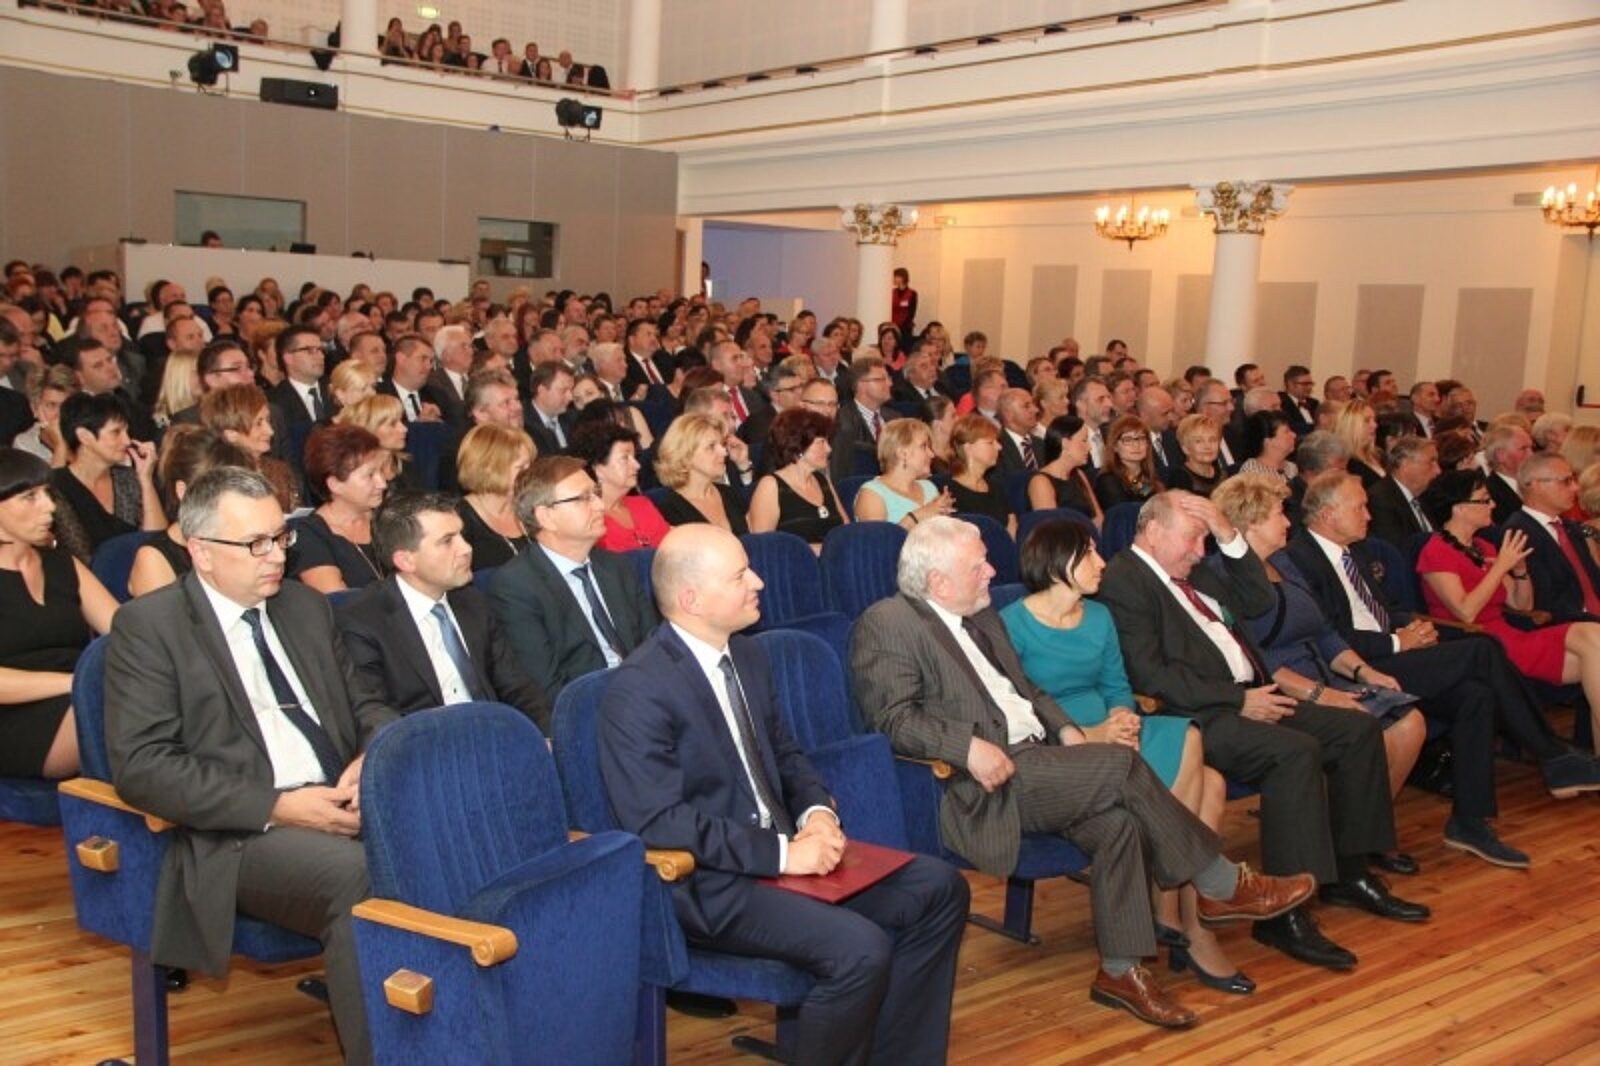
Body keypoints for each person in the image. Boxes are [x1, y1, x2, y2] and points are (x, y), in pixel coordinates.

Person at [852, 516, 1317, 1027]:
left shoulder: (981, 617)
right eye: (978, 565)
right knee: (1121, 765)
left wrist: (1068, 731)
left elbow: (1028, 691)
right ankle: (1219, 882)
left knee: (1118, 826)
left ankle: (1121, 971)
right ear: (938, 582)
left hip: (1041, 761)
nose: (992, 572)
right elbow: (892, 719)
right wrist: (967, 748)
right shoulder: (889, 622)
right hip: (985, 782)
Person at [600, 524, 968, 1061]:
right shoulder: (639, 689)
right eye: (739, 576)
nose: (759, 581)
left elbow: (786, 754)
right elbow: (659, 822)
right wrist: (783, 854)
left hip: (782, 856)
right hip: (707, 883)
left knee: (938, 887)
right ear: (691, 599)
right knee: (859, 950)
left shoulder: (747, 656)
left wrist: (816, 812)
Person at [105, 466, 395, 1065]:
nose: (277, 556)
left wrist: (372, 756)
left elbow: (368, 705)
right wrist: (280, 807)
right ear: (201, 551)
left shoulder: (304, 607)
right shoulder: (150, 627)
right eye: (256, 543)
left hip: (341, 796)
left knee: (467, 837)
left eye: (281, 537)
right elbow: (143, 766)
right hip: (240, 831)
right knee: (361, 878)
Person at [1100, 491, 1419, 973]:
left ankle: (1349, 872)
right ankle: (1285, 918)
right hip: (1199, 713)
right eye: (1193, 538)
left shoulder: (1193, 567)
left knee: (1357, 729)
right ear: (1154, 531)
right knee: (1295, 752)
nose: (1199, 550)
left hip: (1252, 696)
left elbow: (1257, 598)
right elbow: (1150, 674)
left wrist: (1228, 535)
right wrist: (1237, 701)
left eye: (1205, 540)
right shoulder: (1126, 580)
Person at [1284, 472, 1600, 863]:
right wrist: (1398, 641)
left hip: (1392, 651)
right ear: (1329, 514)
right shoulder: (1301, 559)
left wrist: (1413, 628)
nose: (1368, 515)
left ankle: (1470, 821)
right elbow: (1325, 635)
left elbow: (1383, 610)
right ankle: (1552, 754)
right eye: (1360, 507)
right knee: (1482, 648)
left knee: (1475, 696)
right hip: (1355, 668)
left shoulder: (1356, 552)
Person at [1001, 519, 1247, 992]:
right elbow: (1022, 712)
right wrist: (1095, 733)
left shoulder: (1098, 616)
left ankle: (1171, 911)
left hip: (1114, 729)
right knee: (1212, 784)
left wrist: (1125, 720)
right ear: (1058, 564)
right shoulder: (1012, 624)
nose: (1102, 563)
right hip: (1063, 744)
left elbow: (1117, 685)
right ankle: (1187, 922)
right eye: (1090, 554)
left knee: (1189, 738)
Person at [1212, 473, 1427, 867]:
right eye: (1279, 513)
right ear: (1251, 522)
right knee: (1366, 728)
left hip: (1323, 672)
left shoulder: (1284, 562)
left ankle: (1360, 834)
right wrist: (1320, 694)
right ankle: (1348, 845)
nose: (1288, 522)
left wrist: (1363, 671)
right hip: (1282, 688)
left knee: (1410, 723)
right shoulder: (1224, 576)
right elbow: (1258, 660)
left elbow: (1325, 631)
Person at [336, 491, 551, 728]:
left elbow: (517, 686)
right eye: (447, 541)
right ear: (406, 561)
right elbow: (378, 717)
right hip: (427, 741)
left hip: (491, 733)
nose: (466, 549)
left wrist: (547, 736)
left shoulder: (472, 601)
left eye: (462, 535)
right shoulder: (364, 623)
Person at [1418, 468, 1600, 743]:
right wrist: (1500, 567)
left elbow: (1521, 604)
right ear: (1459, 508)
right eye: (1484, 499)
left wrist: (1520, 571)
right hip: (1481, 645)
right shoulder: (1436, 551)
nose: (1493, 504)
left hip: (1510, 635)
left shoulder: (1483, 547)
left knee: (1593, 637)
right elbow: (1465, 612)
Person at [488, 456, 658, 701]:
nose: (600, 505)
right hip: (586, 709)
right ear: (546, 517)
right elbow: (545, 687)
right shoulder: (516, 587)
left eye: (596, 494)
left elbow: (652, 646)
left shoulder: (616, 566)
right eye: (583, 498)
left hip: (644, 699)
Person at [0, 448, 118, 778]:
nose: (50, 507)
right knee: (117, 704)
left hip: (80, 694)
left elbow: (126, 632)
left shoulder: (64, 565)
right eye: (29, 497)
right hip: (14, 717)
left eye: (47, 494)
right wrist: (79, 683)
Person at [129, 427, 255, 597]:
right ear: (183, 492)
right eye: (221, 493)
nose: (236, 502)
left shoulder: (244, 542)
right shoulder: (154, 560)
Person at [50, 391, 164, 562]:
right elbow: (81, 554)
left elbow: (158, 541)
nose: (127, 441)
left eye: (126, 431)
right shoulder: (57, 486)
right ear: (85, 437)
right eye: (116, 432)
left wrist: (146, 480)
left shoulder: (128, 479)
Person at [1503, 452, 1600, 626]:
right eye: (1566, 481)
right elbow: (1546, 601)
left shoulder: (1571, 528)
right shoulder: (1519, 533)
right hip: (1568, 625)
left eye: (1573, 480)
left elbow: (1594, 580)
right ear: (1536, 485)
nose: (1575, 487)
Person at [289, 425, 388, 593]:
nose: (383, 483)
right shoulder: (309, 536)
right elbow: (339, 601)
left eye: (381, 471)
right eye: (370, 475)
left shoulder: (390, 517)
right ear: (335, 484)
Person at [747, 408, 847, 550]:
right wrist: (818, 550)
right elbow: (763, 548)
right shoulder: (771, 486)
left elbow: (847, 531)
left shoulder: (822, 480)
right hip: (794, 563)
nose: (829, 449)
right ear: (798, 445)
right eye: (821, 442)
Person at [569, 420, 671, 552]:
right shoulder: (589, 517)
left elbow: (670, 549)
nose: (637, 465)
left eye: (634, 457)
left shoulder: (642, 504)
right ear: (598, 467)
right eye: (625, 458)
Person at [200, 383, 303, 512]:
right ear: (231, 434)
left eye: (268, 420)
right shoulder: (218, 483)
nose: (270, 431)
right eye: (258, 423)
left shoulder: (279, 471)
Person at [454, 423, 535, 570]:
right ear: (490, 469)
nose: (531, 473)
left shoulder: (533, 506)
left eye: (530, 465)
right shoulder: (458, 521)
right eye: (521, 467)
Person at [652, 413, 749, 534]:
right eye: (711, 446)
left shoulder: (730, 494)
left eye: (722, 444)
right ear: (685, 455)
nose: (724, 452)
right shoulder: (668, 511)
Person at [852, 418, 954, 528]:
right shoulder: (872, 494)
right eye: (924, 446)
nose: (931, 454)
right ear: (902, 453)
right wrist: (917, 516)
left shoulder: (929, 488)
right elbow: (877, 538)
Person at [946, 413, 1015, 536]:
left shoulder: (997, 487)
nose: (999, 447)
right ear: (968, 448)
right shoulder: (948, 492)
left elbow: (1011, 525)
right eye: (990, 443)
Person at [1366, 435, 1440, 548]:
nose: (1438, 470)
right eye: (1431, 462)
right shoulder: (1381, 499)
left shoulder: (1424, 496)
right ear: (1404, 464)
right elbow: (1397, 549)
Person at [335, 393, 421, 491]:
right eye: (392, 424)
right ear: (369, 429)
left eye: (401, 421)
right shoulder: (351, 472)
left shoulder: (407, 466)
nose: (404, 429)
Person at [1027, 414, 1103, 523]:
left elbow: (1098, 518)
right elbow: (1051, 527)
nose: (1089, 447)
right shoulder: (1040, 482)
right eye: (1084, 440)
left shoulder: (1079, 474)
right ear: (1065, 443)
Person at [1096, 413, 1163, 509]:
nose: (1136, 445)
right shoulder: (1108, 480)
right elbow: (1123, 513)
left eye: (1141, 438)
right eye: (1128, 440)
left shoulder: (1145, 478)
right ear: (1114, 446)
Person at [1164, 413, 1225, 498]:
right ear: (1185, 448)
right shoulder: (1179, 478)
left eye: (1212, 440)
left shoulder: (1224, 474)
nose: (1207, 446)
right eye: (1198, 441)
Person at [1334, 398, 1385, 489]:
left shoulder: (1377, 455)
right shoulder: (1345, 463)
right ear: (1351, 425)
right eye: (1367, 420)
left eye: (1374, 420)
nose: (1375, 425)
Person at [1237, 410, 1298, 482]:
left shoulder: (1292, 468)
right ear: (1268, 441)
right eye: (1286, 431)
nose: (1294, 435)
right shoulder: (1251, 472)